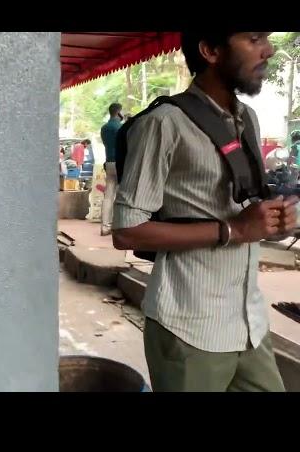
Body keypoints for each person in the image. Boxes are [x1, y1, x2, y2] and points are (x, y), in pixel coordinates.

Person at [112, 32, 297, 392]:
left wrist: (272, 222)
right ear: (210, 50)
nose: (269, 49)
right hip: (189, 327)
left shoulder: (249, 119)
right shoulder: (164, 124)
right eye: (254, 38)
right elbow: (126, 231)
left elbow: (243, 213)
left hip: (249, 323)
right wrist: (233, 230)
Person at [100, 103, 123, 235]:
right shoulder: (121, 127)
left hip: (108, 162)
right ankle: (118, 225)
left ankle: (105, 226)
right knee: (120, 195)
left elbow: (106, 144)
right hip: (120, 163)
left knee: (108, 195)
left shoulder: (104, 128)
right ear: (119, 112)